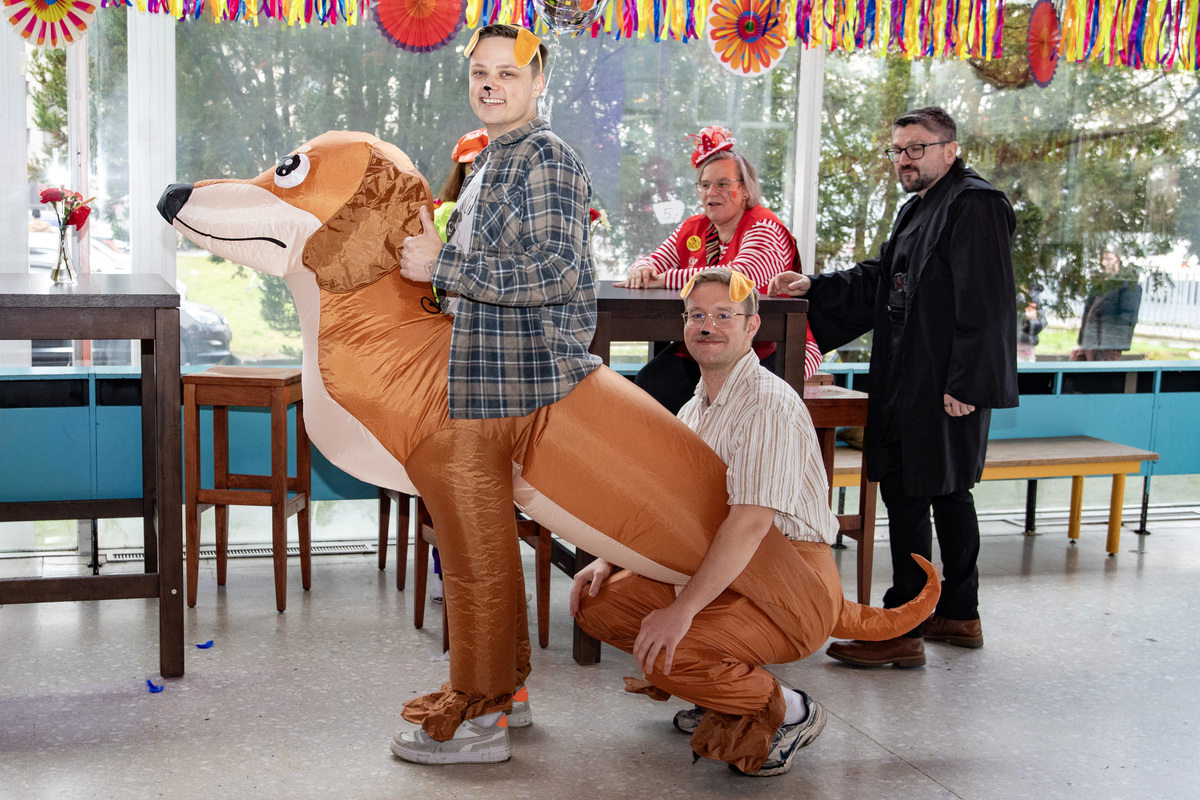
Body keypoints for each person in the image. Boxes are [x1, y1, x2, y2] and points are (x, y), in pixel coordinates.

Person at [392, 23, 600, 763]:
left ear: (538, 82)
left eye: (507, 73)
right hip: (485, 372)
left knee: (474, 556)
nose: (490, 83)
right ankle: (506, 693)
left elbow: (558, 273)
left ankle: (479, 723)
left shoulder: (546, 156)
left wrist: (445, 267)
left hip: (515, 378)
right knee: (485, 549)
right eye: (480, 71)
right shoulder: (490, 159)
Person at [769, 106, 1018, 667]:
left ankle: (903, 627)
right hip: (909, 373)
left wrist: (967, 383)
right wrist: (814, 285)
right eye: (898, 150)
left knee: (916, 491)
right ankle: (959, 613)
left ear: (950, 149)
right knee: (945, 491)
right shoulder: (919, 208)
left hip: (947, 380)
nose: (904, 159)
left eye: (916, 148)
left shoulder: (975, 203)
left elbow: (988, 301)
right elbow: (881, 279)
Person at [571, 267, 840, 777]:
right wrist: (607, 559)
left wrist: (684, 609)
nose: (707, 326)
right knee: (598, 604)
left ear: (751, 326)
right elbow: (666, 506)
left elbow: (750, 525)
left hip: (791, 577)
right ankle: (720, 691)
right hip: (728, 561)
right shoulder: (697, 406)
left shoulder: (767, 404)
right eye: (696, 315)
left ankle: (790, 710)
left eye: (723, 315)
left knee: (674, 641)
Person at [618, 125, 822, 413]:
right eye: (704, 185)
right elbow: (654, 261)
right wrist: (642, 268)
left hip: (775, 346)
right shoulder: (694, 226)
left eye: (722, 184)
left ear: (745, 189)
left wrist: (663, 279)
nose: (711, 192)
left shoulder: (764, 226)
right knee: (652, 384)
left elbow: (734, 279)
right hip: (713, 338)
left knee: (737, 405)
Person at [426, 127, 489, 604]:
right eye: (470, 168)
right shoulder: (444, 215)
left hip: (487, 353)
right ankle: (448, 569)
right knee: (449, 466)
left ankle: (484, 570)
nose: (477, 175)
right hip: (449, 348)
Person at [1071, 250, 1142, 361]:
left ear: (1118, 259)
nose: (1104, 263)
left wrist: (1112, 346)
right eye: (1103, 259)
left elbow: (1127, 318)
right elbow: (1088, 315)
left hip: (1107, 348)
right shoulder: (1099, 284)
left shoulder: (1128, 285)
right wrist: (1081, 343)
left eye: (1109, 259)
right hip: (1090, 345)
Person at [1018, 282, 1047, 362]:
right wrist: (1025, 317)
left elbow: (1043, 321)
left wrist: (1029, 323)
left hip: (1029, 350)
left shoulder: (1036, 301)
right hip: (1016, 349)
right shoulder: (1018, 298)